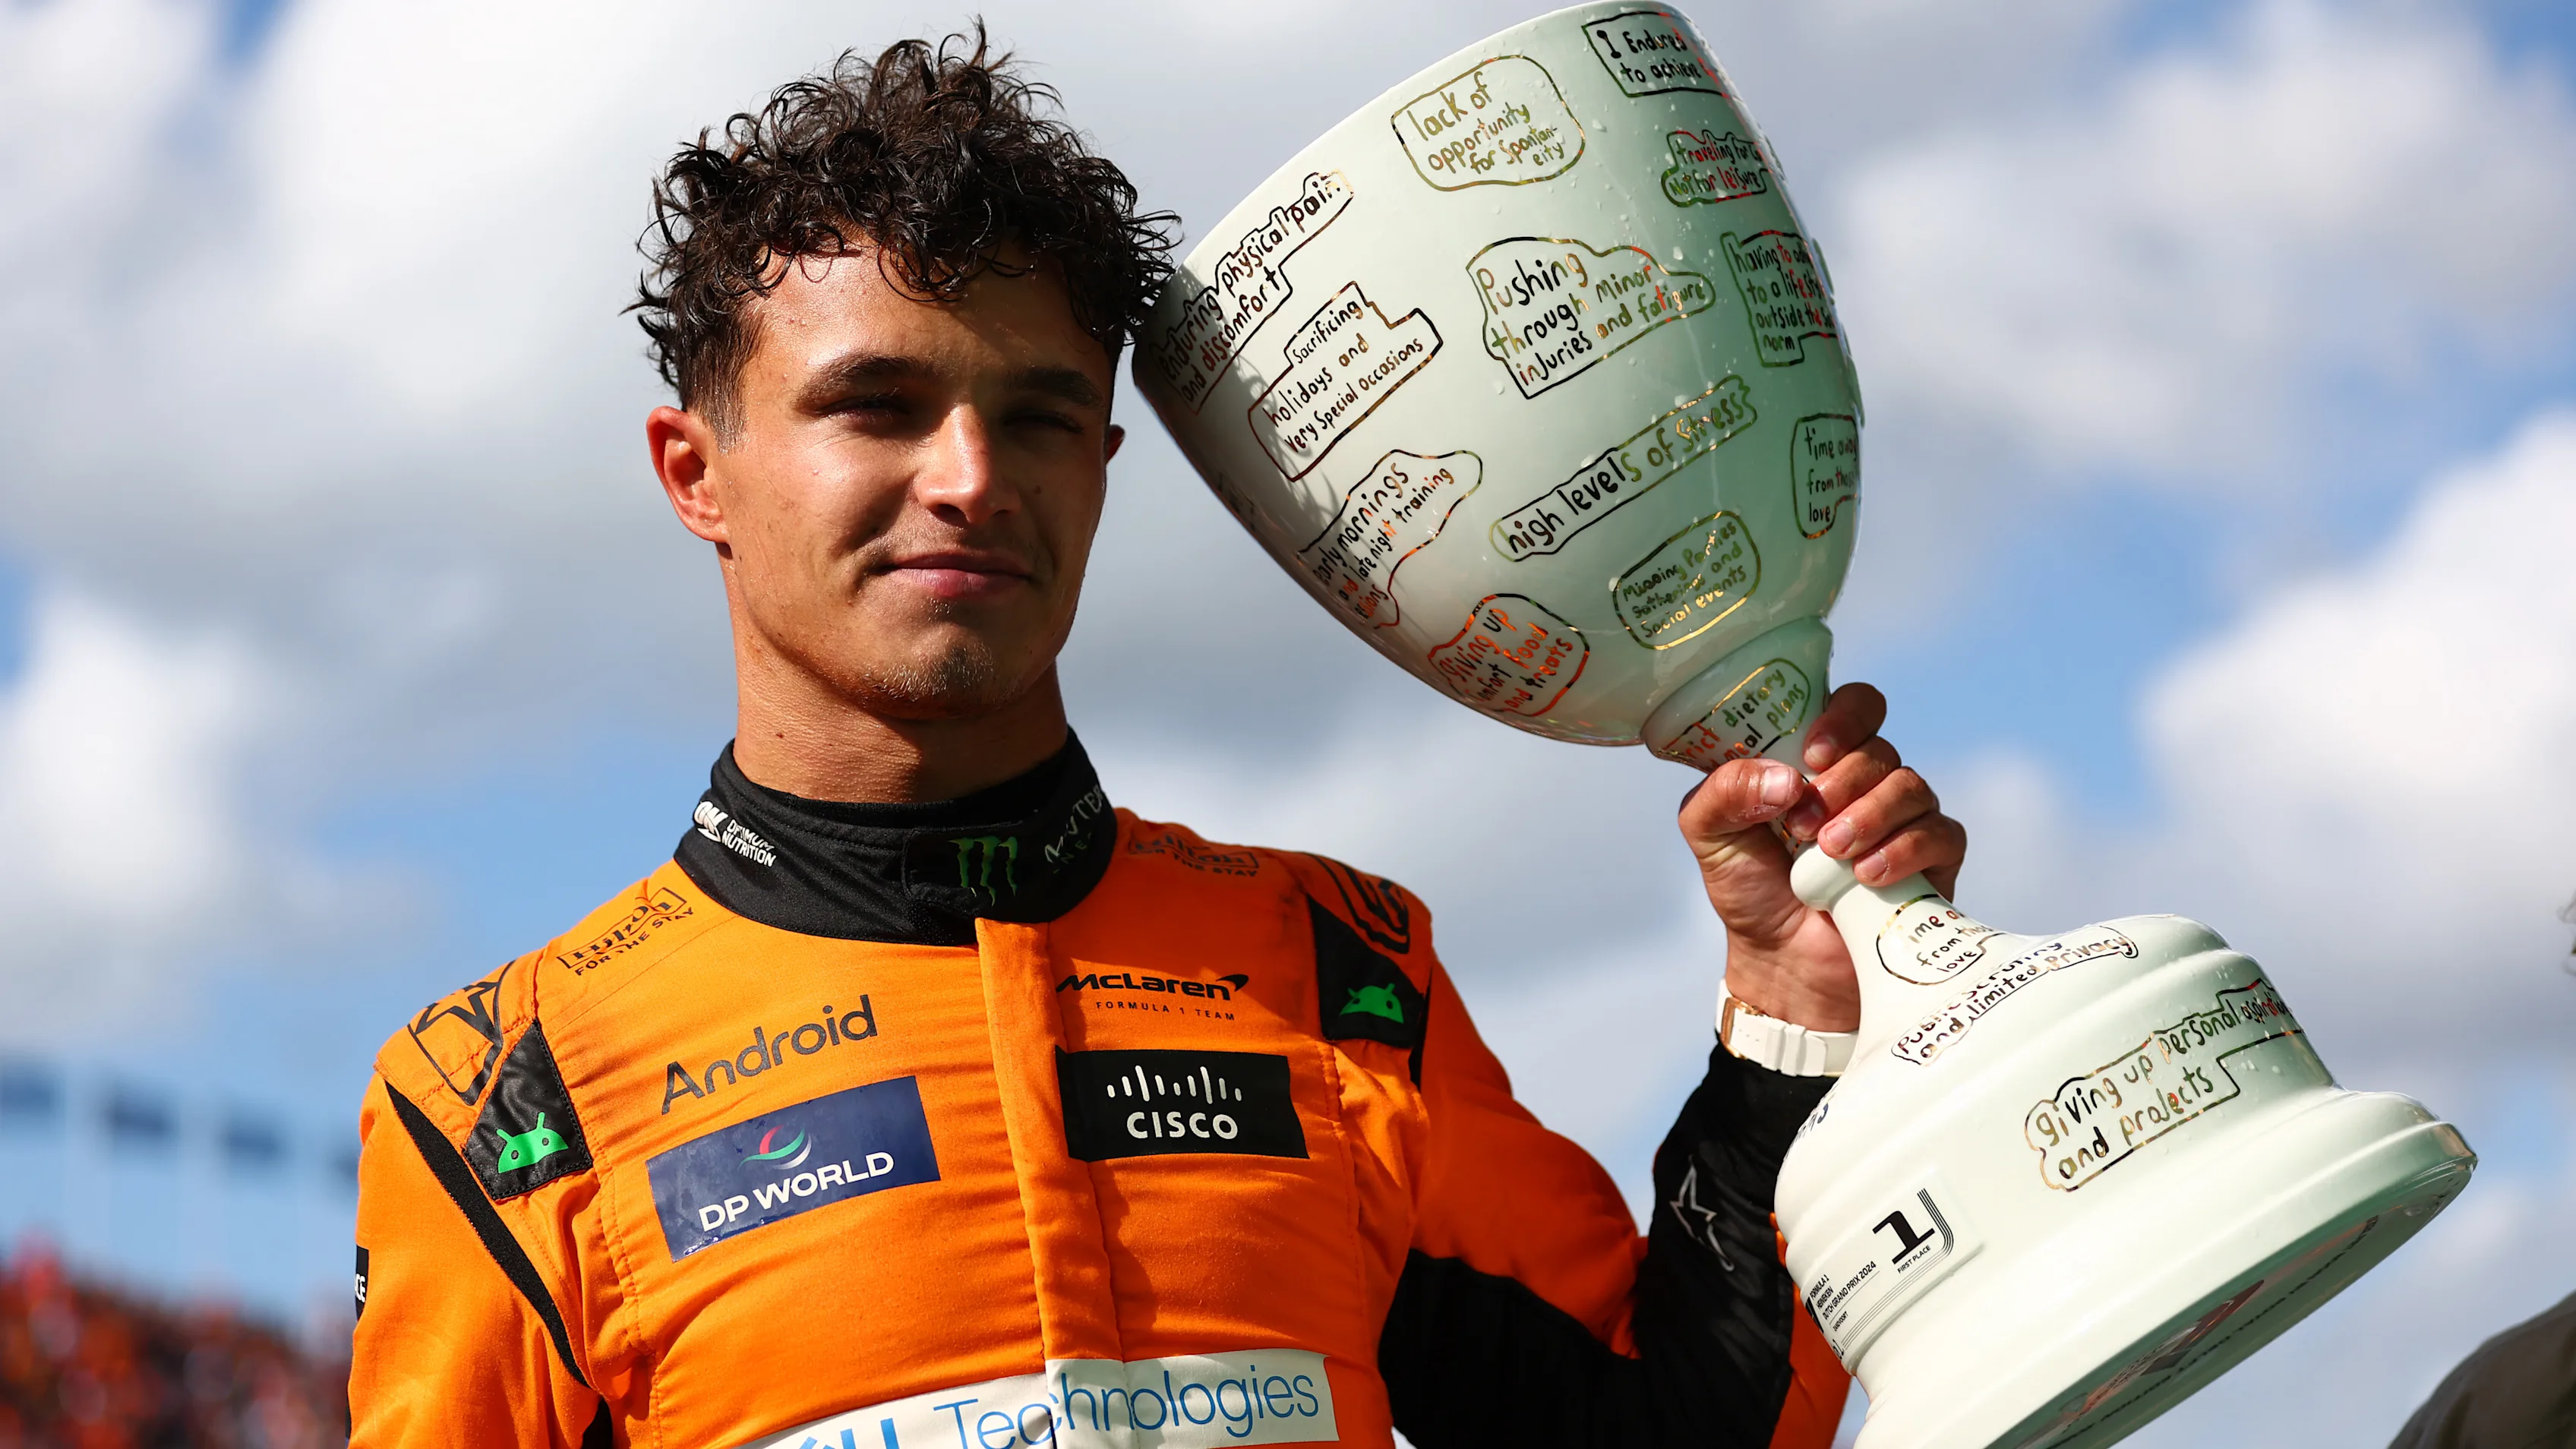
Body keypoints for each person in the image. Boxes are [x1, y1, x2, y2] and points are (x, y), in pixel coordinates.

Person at [346, 32, 1966, 1449]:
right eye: (878, 406)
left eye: (1040, 414)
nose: (973, 474)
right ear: (695, 471)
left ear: (1105, 461)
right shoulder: (506, 1094)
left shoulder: (1338, 970)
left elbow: (1664, 1432)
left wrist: (1786, 1019)